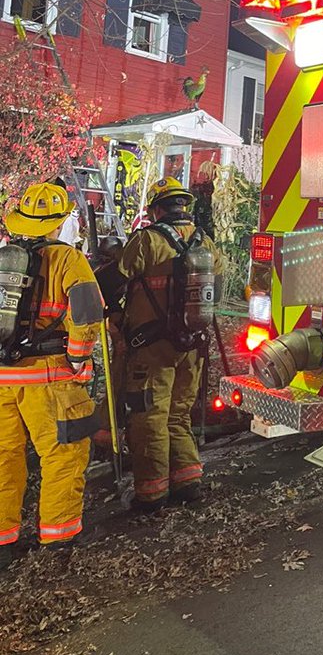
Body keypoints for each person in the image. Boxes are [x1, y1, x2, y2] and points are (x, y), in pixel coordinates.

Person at [0, 182, 104, 571]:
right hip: (48, 378)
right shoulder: (67, 259)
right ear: (58, 224)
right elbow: (87, 313)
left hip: (3, 377)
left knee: (4, 458)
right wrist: (79, 358)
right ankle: (58, 537)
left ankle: (4, 542)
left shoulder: (3, 258)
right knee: (63, 454)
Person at [117, 177, 224, 512]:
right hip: (192, 345)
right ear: (184, 206)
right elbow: (217, 290)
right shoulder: (203, 241)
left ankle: (151, 494)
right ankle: (188, 482)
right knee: (178, 415)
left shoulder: (146, 241)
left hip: (151, 348)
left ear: (157, 208)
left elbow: (113, 280)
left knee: (149, 417)